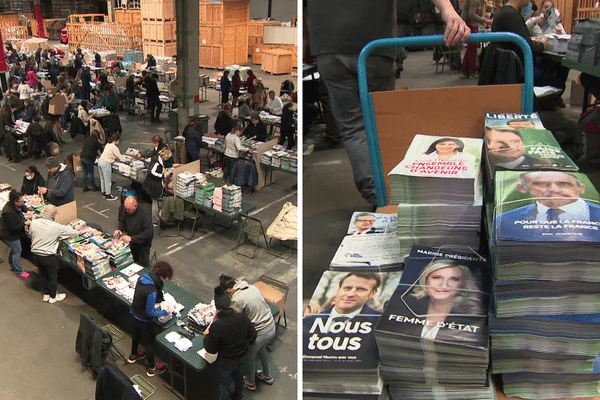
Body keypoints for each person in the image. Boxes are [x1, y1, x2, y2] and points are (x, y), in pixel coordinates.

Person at [306, 0, 470, 208]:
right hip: (372, 41)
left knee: (353, 128)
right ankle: (390, 193)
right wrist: (448, 11)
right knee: (380, 123)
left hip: (328, 45)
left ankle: (378, 197)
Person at [496, 172, 600, 241]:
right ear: (523, 188)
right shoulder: (504, 221)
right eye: (541, 184)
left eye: (564, 184)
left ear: (581, 188)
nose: (554, 189)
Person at [219, 275, 276, 392]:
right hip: (271, 327)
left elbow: (233, 318)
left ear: (228, 291)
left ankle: (251, 382)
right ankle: (268, 376)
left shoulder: (238, 299)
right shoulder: (253, 288)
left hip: (259, 333)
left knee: (249, 357)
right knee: (261, 349)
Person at [402, 260, 481, 340]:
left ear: (462, 284)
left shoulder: (473, 317)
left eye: (454, 279)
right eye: (437, 278)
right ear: (425, 280)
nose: (444, 285)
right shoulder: (402, 304)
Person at [204, 286, 257, 400]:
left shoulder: (217, 326)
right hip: (242, 357)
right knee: (239, 377)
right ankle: (239, 395)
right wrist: (244, 346)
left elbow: (211, 349)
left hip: (227, 362)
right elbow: (253, 336)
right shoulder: (242, 317)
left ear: (217, 308)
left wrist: (207, 336)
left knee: (224, 384)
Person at [128, 261, 173, 377]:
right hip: (144, 320)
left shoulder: (143, 278)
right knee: (149, 344)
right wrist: (164, 312)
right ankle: (152, 368)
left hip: (134, 313)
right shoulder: (152, 291)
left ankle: (133, 355)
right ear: (162, 276)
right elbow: (150, 313)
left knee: (136, 335)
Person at [29, 204, 78, 303]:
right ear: (52, 214)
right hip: (48, 256)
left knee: (43, 274)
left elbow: (31, 233)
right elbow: (74, 233)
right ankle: (53, 296)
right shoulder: (56, 226)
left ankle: (46, 294)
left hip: (36, 255)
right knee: (52, 276)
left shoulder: (34, 222)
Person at [304, 272, 382, 317]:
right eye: (347, 288)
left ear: (373, 293)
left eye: (360, 289)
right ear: (338, 290)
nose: (350, 294)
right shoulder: (310, 320)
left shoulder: (378, 320)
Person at [115, 196, 154, 267]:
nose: (127, 211)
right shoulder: (125, 208)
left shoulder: (145, 213)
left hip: (143, 241)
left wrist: (132, 238)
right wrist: (119, 229)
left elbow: (149, 232)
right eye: (126, 209)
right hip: (132, 237)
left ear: (135, 206)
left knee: (144, 261)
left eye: (129, 210)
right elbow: (122, 220)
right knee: (133, 258)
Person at [0, 190, 31, 279]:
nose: (22, 202)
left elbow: (21, 208)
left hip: (8, 233)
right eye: (20, 201)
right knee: (17, 251)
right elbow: (13, 228)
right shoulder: (9, 212)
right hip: (9, 235)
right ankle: (18, 271)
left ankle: (12, 264)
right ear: (15, 201)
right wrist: (25, 223)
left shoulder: (12, 205)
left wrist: (27, 210)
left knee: (13, 249)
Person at [461, 0, 492, 79]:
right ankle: (472, 72)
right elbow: (471, 14)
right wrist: (485, 20)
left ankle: (464, 71)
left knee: (471, 48)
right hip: (469, 25)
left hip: (473, 24)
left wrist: (483, 18)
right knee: (472, 48)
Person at [143, 148, 172, 226]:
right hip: (154, 185)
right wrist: (162, 176)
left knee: (156, 202)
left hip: (153, 183)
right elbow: (151, 172)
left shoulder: (157, 159)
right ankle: (154, 220)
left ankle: (156, 218)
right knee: (155, 202)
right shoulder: (156, 162)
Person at [98, 133, 128, 201]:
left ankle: (104, 192)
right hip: (106, 164)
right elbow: (122, 159)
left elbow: (109, 154)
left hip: (100, 162)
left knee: (102, 179)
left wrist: (114, 157)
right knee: (107, 180)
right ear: (117, 140)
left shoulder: (108, 145)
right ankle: (108, 195)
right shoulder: (114, 147)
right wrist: (128, 159)